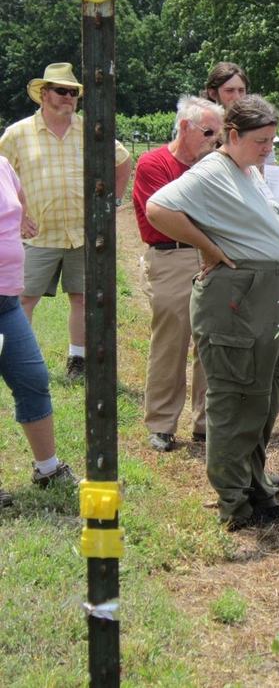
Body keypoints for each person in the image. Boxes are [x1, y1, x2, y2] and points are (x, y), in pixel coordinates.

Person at [147, 95, 279, 531]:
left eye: (272, 139)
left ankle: (257, 488)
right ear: (232, 135)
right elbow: (157, 208)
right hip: (243, 297)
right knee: (237, 396)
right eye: (261, 140)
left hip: (274, 290)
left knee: (264, 395)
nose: (268, 149)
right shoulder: (211, 170)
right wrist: (209, 248)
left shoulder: (246, 169)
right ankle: (235, 503)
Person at [0, 63, 131, 382]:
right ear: (44, 95)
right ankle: (14, 361)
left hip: (81, 233)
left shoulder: (91, 129)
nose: (69, 97)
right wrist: (16, 217)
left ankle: (77, 360)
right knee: (23, 299)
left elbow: (123, 159)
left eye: (74, 92)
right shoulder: (18, 133)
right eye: (62, 91)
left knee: (82, 298)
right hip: (36, 234)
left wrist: (112, 203)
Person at [203, 61, 279, 409]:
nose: (237, 96)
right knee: (224, 335)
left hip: (268, 253)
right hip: (231, 253)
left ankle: (269, 387)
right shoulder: (211, 140)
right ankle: (214, 409)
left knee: (266, 327)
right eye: (230, 91)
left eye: (242, 90)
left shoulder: (260, 136)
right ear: (214, 93)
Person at [132, 96, 224, 452]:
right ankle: (161, 422)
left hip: (209, 255)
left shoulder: (214, 164)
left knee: (210, 340)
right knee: (171, 340)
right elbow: (168, 215)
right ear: (184, 127)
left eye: (217, 135)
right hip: (171, 257)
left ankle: (206, 422)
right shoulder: (153, 163)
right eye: (208, 132)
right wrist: (208, 236)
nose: (213, 140)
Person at [0, 154, 77, 507]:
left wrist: (23, 219)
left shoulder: (3, 165)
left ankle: (48, 469)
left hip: (7, 301)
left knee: (32, 377)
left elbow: (18, 196)